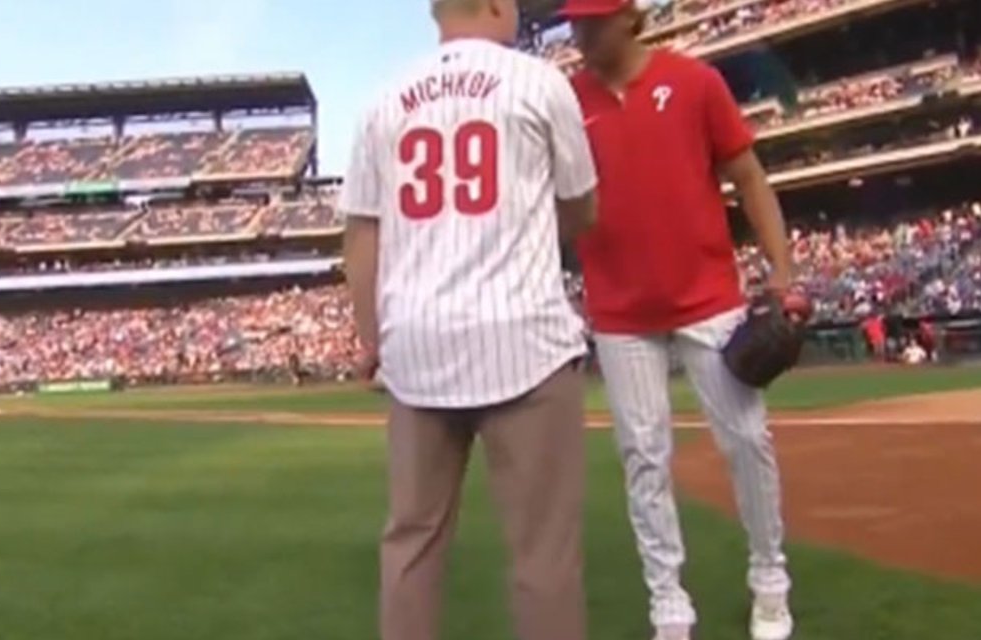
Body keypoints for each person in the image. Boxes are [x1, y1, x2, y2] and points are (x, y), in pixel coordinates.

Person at [337, 0, 599, 637]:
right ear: (495, 7)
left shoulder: (383, 101)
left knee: (410, 545)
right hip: (526, 340)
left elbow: (361, 239)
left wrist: (372, 340)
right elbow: (582, 208)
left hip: (418, 345)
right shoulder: (540, 81)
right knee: (543, 555)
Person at [560, 1, 795, 638]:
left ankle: (770, 580)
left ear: (628, 18)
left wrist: (781, 272)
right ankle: (668, 600)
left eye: (593, 20)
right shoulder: (564, 100)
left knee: (747, 439)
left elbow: (748, 176)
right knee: (643, 457)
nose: (579, 32)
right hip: (620, 311)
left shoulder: (694, 82)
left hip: (708, 298)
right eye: (573, 21)